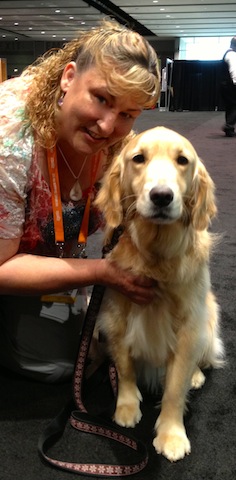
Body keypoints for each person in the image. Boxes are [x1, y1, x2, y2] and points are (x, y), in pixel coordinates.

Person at [0, 19, 160, 383]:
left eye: (126, 114)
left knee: (86, 350)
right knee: (54, 366)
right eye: (101, 99)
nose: (107, 126)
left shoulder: (119, 144)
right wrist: (103, 274)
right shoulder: (9, 139)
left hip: (44, 256)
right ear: (69, 77)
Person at [220, 36, 236, 137]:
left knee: (231, 107)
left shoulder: (228, 53)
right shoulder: (232, 55)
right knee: (234, 106)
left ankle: (229, 129)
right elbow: (234, 70)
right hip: (231, 85)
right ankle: (229, 126)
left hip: (225, 85)